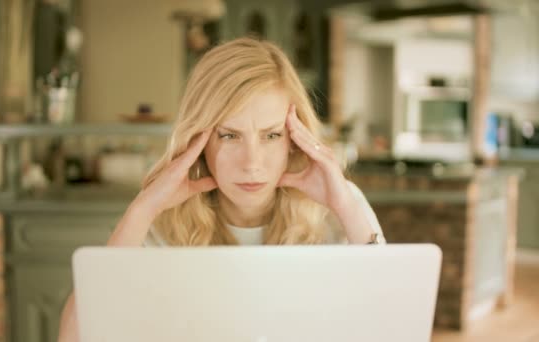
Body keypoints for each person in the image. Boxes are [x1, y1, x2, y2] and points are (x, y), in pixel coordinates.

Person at [57, 37, 386, 342]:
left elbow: (390, 327)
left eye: (271, 135)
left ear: (293, 139)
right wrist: (141, 211)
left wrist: (346, 209)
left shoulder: (341, 207)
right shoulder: (162, 221)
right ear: (198, 141)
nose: (252, 163)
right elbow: (74, 336)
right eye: (229, 135)